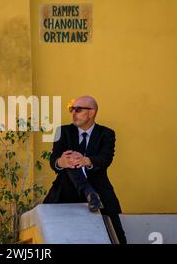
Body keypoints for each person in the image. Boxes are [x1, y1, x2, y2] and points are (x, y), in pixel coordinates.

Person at [43, 96, 127, 244]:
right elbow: (53, 160)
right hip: (66, 190)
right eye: (72, 109)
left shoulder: (106, 134)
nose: (73, 113)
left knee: (117, 237)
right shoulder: (62, 131)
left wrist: (85, 160)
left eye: (78, 109)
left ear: (92, 112)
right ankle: (89, 193)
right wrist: (61, 162)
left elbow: (105, 159)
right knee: (71, 161)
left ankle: (90, 193)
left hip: (99, 189)